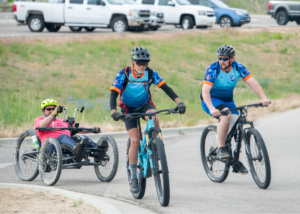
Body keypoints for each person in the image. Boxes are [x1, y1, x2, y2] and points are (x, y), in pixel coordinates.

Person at [110, 47, 186, 193]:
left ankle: (155, 145)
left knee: (154, 116)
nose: (142, 66)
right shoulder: (124, 73)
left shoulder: (150, 73)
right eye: (139, 63)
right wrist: (114, 111)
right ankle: (133, 176)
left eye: (145, 63)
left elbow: (166, 88)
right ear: (132, 62)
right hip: (128, 108)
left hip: (145, 105)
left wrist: (179, 102)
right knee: (135, 140)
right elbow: (113, 94)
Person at [201, 45, 270, 175]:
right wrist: (211, 108)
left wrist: (263, 98)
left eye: (225, 59)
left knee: (237, 124)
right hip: (212, 99)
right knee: (226, 116)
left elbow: (253, 83)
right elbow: (205, 92)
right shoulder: (213, 69)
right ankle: (221, 148)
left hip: (228, 100)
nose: (221, 61)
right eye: (220, 58)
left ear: (232, 59)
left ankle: (234, 161)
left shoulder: (238, 67)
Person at [34, 98, 101, 160]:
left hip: (66, 145)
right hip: (50, 146)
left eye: (53, 109)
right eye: (49, 109)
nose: (51, 111)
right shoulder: (40, 119)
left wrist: (91, 130)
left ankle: (98, 149)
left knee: (80, 137)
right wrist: (53, 114)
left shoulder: (62, 120)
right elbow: (42, 125)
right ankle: (76, 148)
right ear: (43, 110)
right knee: (63, 136)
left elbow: (78, 128)